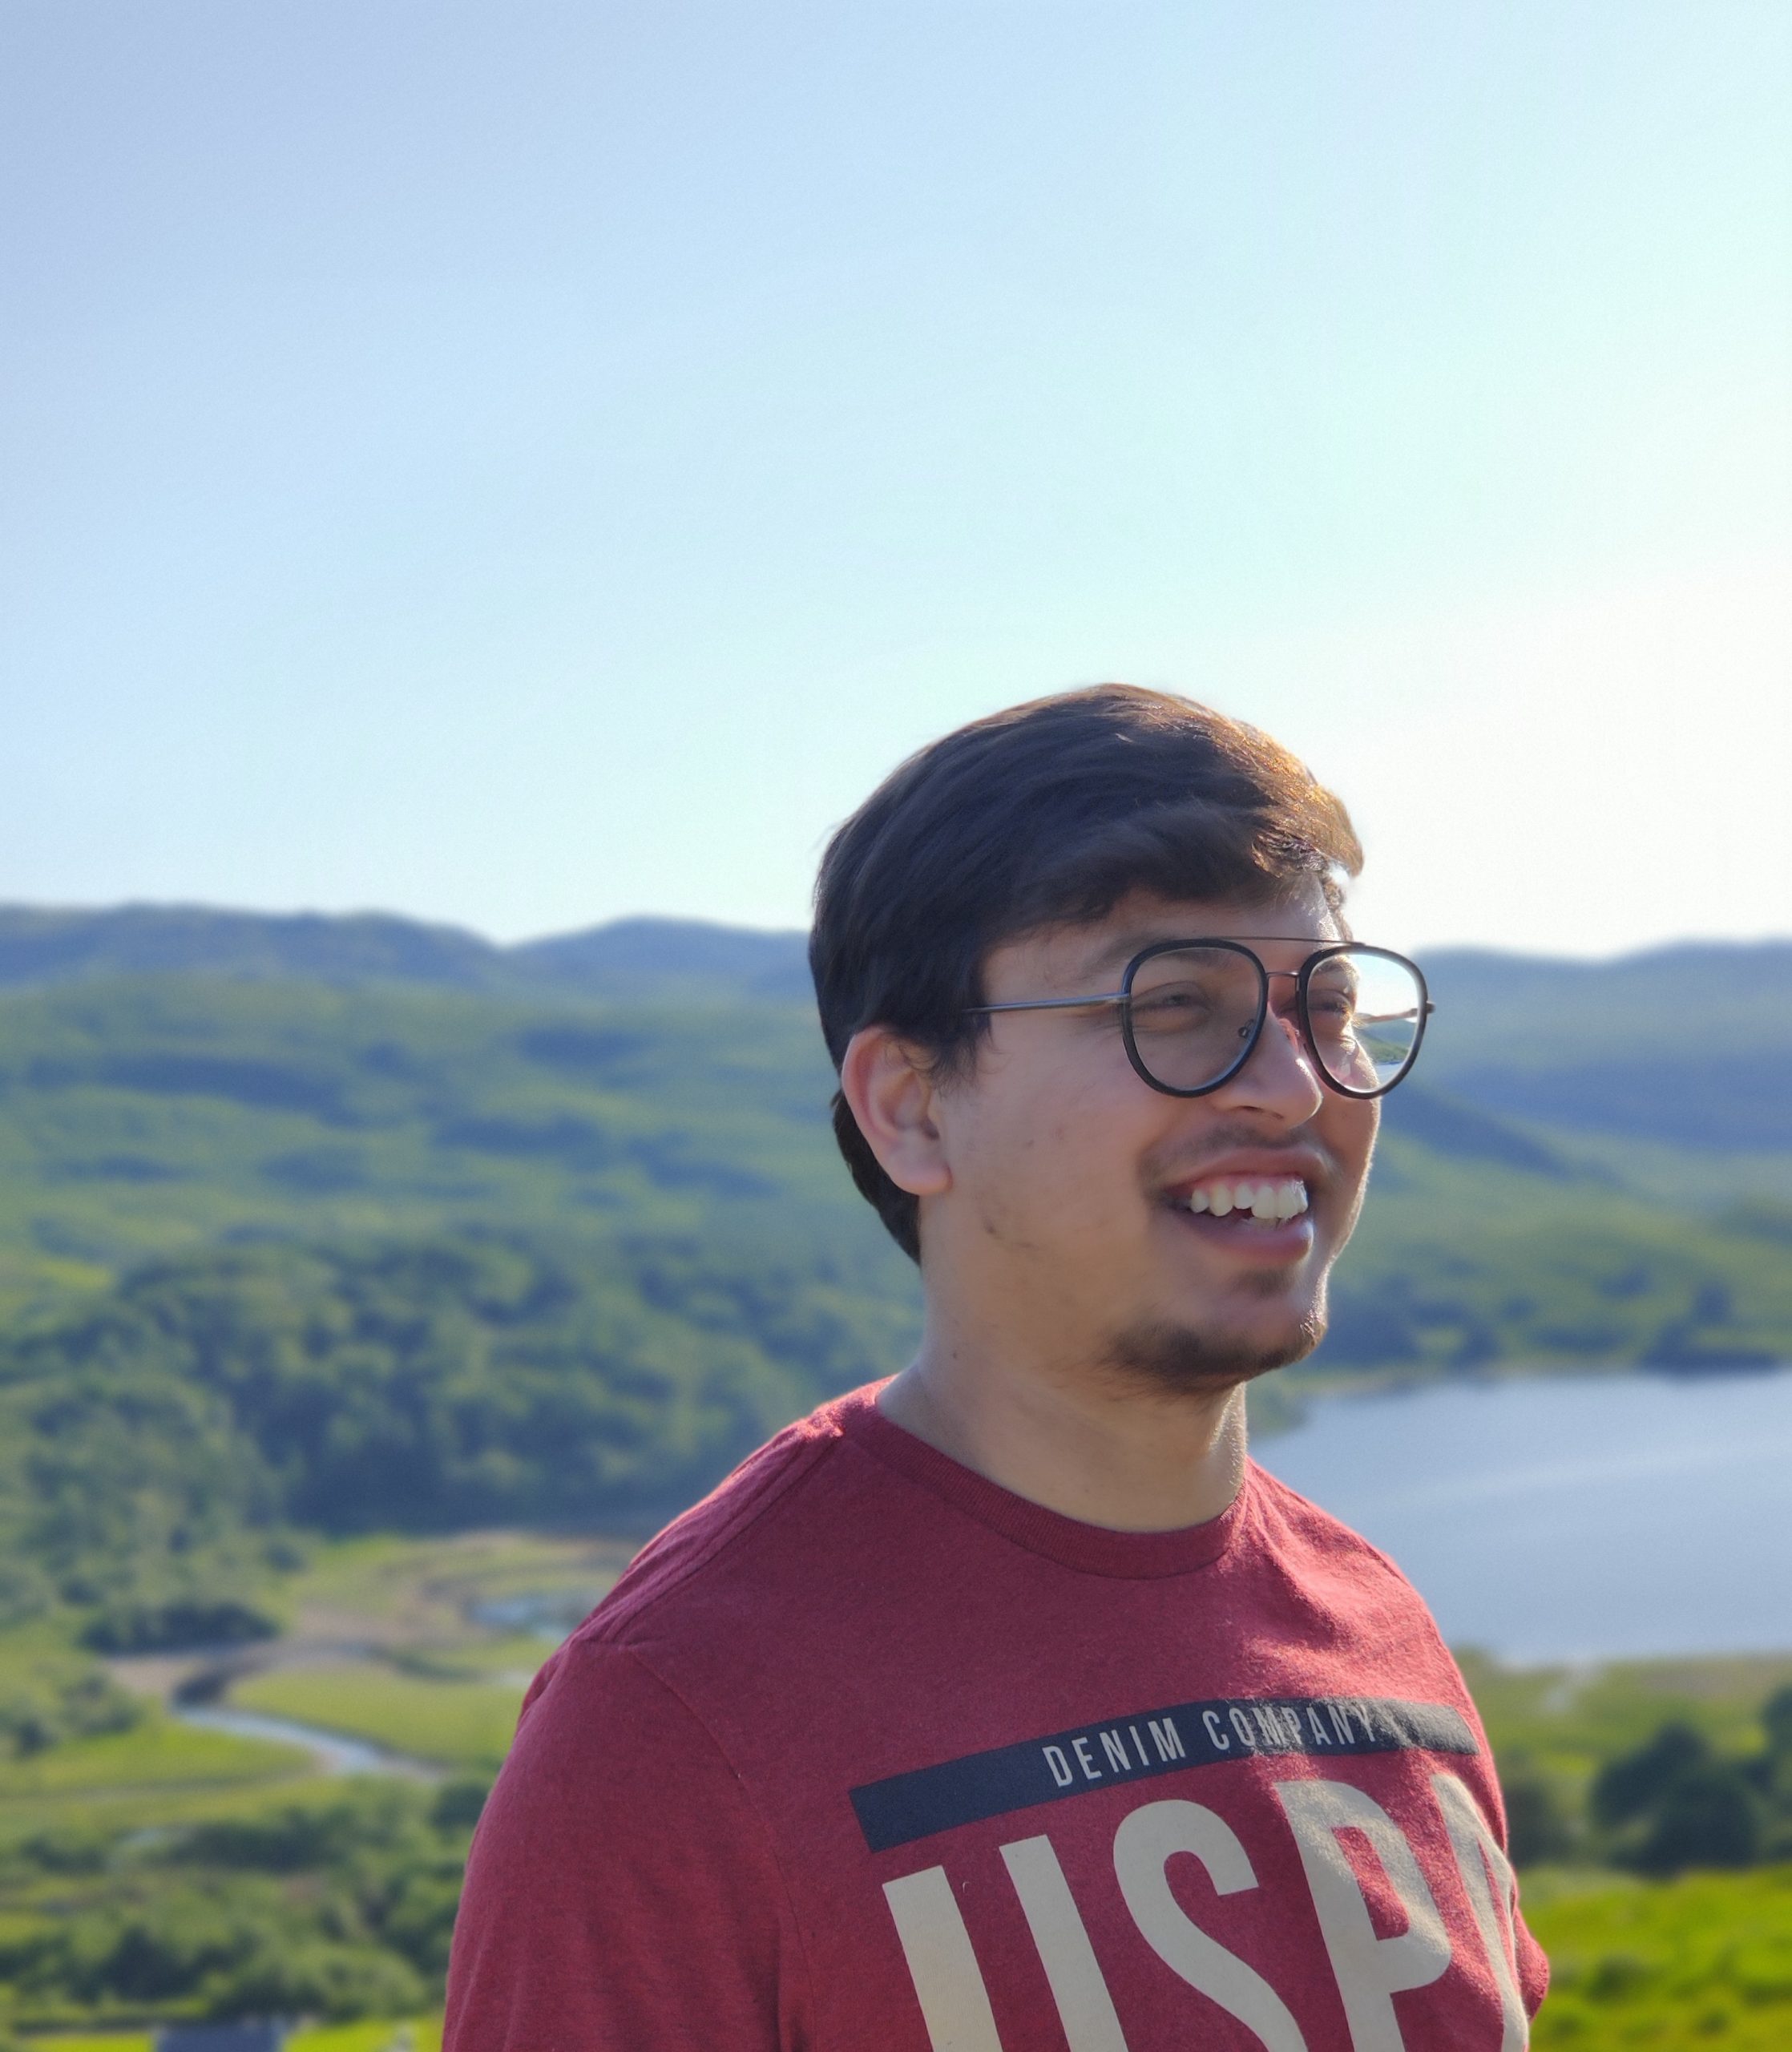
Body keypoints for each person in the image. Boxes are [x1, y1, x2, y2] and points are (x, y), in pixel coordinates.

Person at [444, 686, 1548, 2050]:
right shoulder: (676, 1724)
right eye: (1176, 1004)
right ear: (911, 1108)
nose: (1295, 1085)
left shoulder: (1377, 1633)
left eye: (1329, 1009)